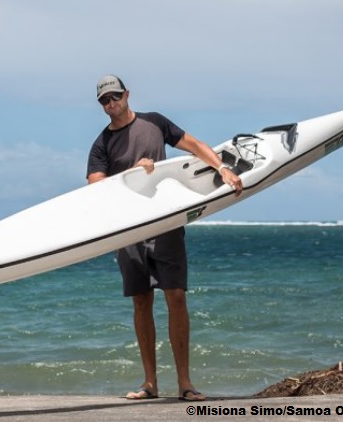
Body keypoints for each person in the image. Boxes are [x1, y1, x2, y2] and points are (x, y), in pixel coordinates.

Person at [86, 75, 243, 401]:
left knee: (176, 298)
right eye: (105, 100)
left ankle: (185, 383)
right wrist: (133, 174)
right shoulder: (101, 144)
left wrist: (222, 168)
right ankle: (149, 384)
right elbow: (96, 188)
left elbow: (194, 145)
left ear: (127, 94)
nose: (111, 103)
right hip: (129, 231)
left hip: (166, 224)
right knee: (141, 302)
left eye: (115, 96)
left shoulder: (154, 123)